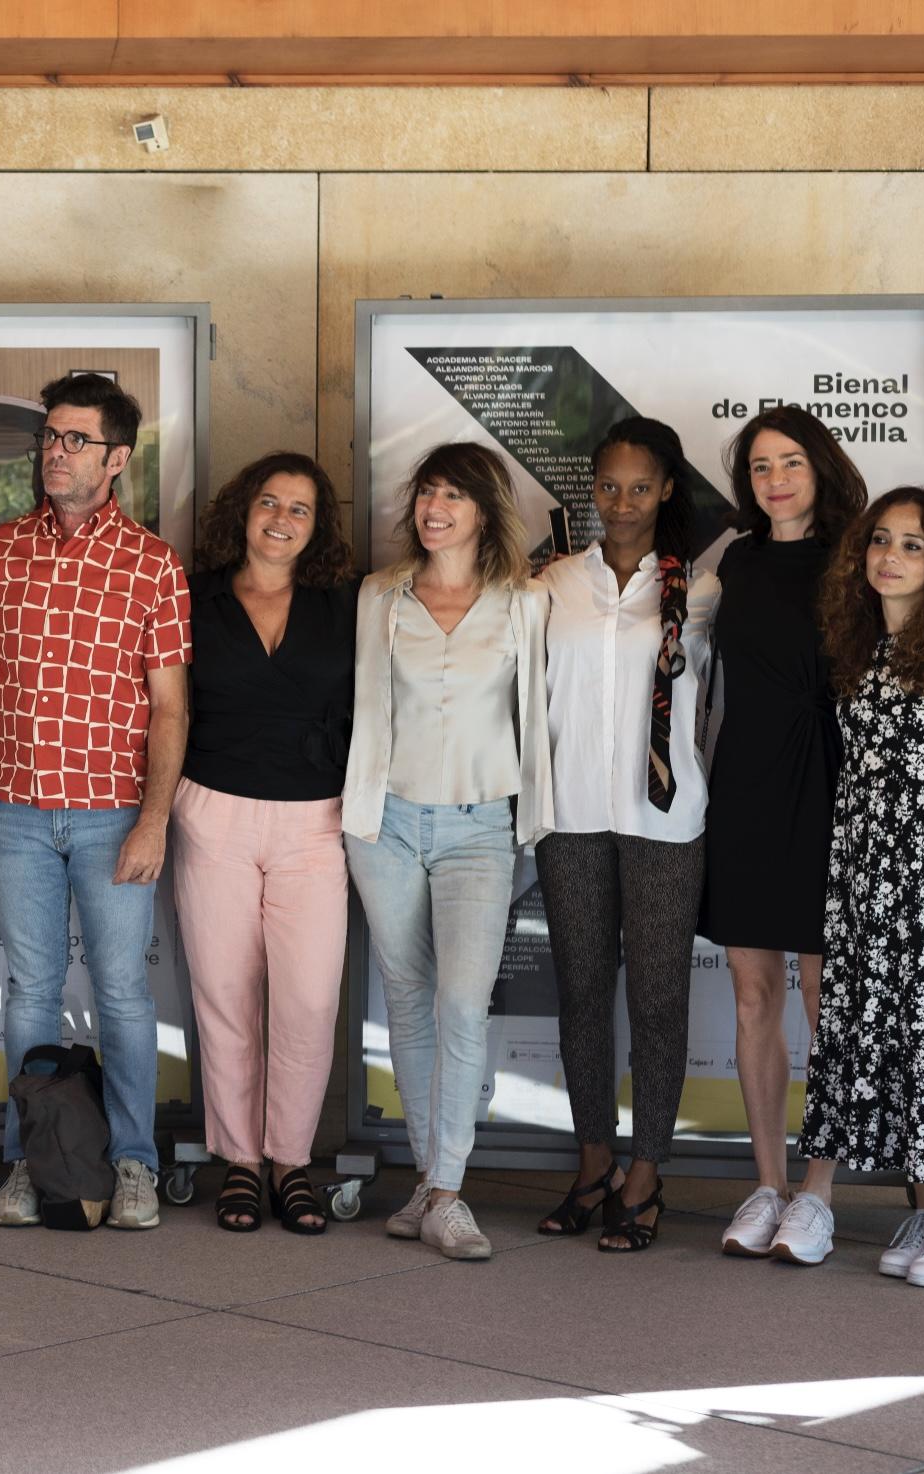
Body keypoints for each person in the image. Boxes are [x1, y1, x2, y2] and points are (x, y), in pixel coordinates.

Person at [0, 372, 192, 1232]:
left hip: (112, 813)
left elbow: (170, 704)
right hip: (17, 809)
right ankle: (30, 1158)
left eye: (75, 440)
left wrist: (156, 818)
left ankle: (132, 1163)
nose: (54, 453)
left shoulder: (152, 566)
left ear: (118, 458)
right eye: (49, 438)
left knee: (125, 994)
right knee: (29, 990)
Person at [343, 442, 551, 1262]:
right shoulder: (380, 596)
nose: (435, 509)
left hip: (479, 828)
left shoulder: (525, 600)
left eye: (454, 496)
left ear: (485, 509)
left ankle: (449, 1188)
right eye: (427, 493)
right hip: (387, 824)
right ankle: (433, 1183)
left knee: (464, 1004)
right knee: (409, 1000)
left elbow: (538, 710)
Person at [782, 488, 924, 1283]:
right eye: (881, 541)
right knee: (894, 1036)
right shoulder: (864, 649)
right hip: (868, 871)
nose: (891, 557)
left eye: (913, 545)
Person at [534, 418, 719, 1252]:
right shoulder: (551, 586)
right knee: (578, 991)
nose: (621, 502)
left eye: (640, 486)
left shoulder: (702, 590)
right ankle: (593, 1161)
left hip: (664, 819)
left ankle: (648, 1171)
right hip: (569, 814)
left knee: (656, 998)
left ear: (667, 490)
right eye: (607, 485)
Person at [169, 452, 356, 1236]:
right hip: (213, 810)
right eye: (269, 502)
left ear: (317, 528)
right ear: (242, 511)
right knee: (225, 995)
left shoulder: (343, 606)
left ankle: (293, 1160)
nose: (281, 519)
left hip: (316, 821)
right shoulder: (193, 597)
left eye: (300, 509)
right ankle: (242, 1162)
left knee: (309, 999)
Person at [700, 406, 867, 1259]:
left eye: (791, 462)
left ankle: (818, 1191)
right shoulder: (735, 556)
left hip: (834, 785)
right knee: (753, 991)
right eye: (761, 466)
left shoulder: (862, 551)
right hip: (748, 784)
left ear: (821, 466)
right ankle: (766, 1186)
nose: (775, 480)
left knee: (821, 997)